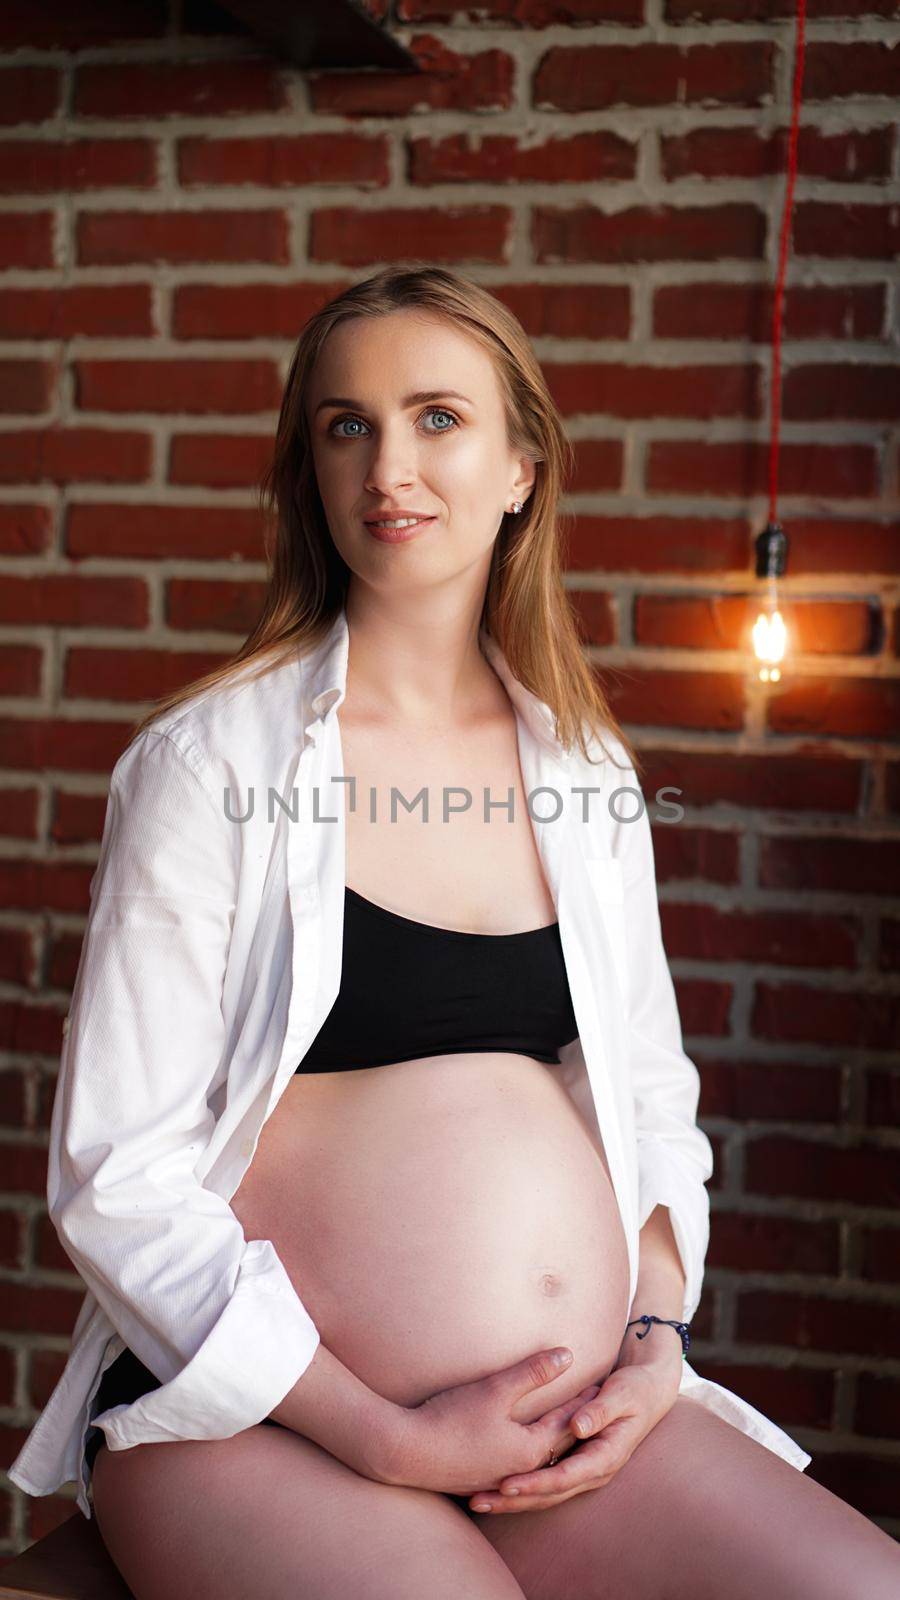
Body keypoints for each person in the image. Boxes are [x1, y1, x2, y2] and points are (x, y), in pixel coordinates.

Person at [9, 266, 900, 1598]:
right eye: (346, 425)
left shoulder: (588, 772)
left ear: (522, 465)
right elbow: (114, 1175)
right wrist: (386, 1435)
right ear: (310, 467)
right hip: (261, 1419)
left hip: (564, 1413)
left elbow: (647, 1092)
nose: (390, 469)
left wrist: (653, 1337)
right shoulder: (206, 765)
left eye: (438, 418)